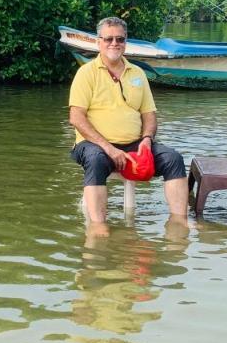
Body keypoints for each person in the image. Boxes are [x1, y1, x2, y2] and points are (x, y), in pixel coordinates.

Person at [69, 17, 189, 225]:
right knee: (96, 159)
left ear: (126, 42)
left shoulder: (138, 73)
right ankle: (98, 226)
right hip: (94, 145)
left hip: (135, 143)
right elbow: (76, 118)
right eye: (108, 39)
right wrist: (109, 148)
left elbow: (149, 115)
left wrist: (147, 140)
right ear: (99, 42)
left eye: (119, 39)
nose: (114, 43)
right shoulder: (85, 73)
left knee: (173, 159)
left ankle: (179, 222)